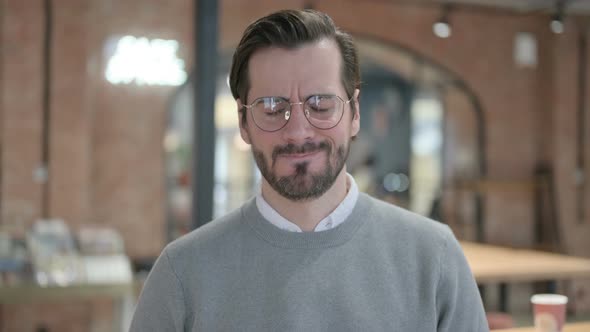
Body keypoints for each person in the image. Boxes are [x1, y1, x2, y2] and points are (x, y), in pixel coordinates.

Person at [129, 9, 488, 331]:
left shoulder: (434, 258)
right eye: (272, 106)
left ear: (355, 113)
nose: (298, 131)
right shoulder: (182, 274)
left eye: (320, 104)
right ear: (243, 121)